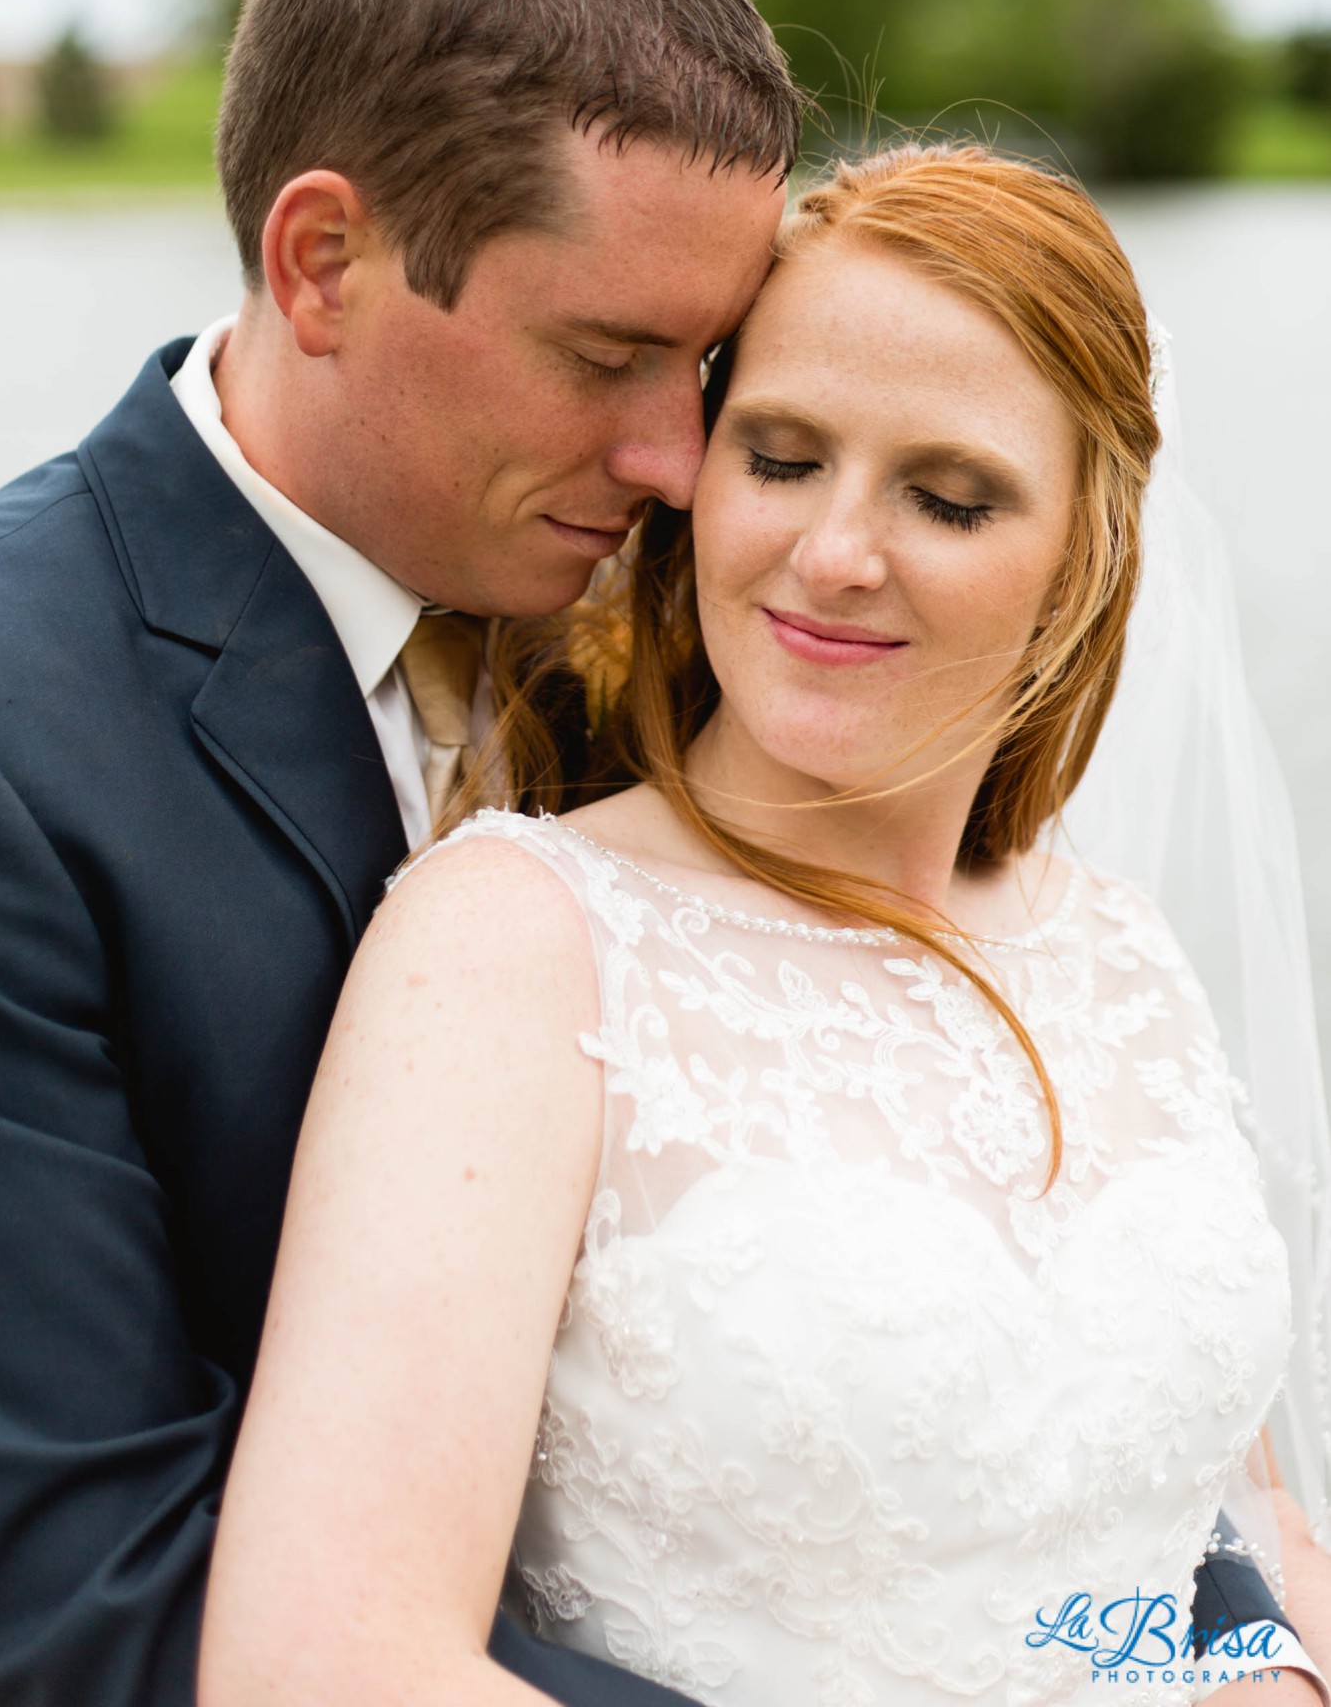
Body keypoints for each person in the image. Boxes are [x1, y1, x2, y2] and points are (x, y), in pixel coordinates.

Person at [197, 143, 1331, 1705]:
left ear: (1081, 557)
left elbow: (1198, 1536)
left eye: (947, 496)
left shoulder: (1116, 952)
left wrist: (1271, 1667)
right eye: (782, 459)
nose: (835, 555)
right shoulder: (517, 949)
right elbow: (325, 1664)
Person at [0, 0, 799, 1707]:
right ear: (324, 259)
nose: (685, 461)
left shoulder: (750, 639)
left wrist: (1196, 1657)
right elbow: (78, 1620)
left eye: (716, 362)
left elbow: (1086, 1403)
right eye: (607, 356)